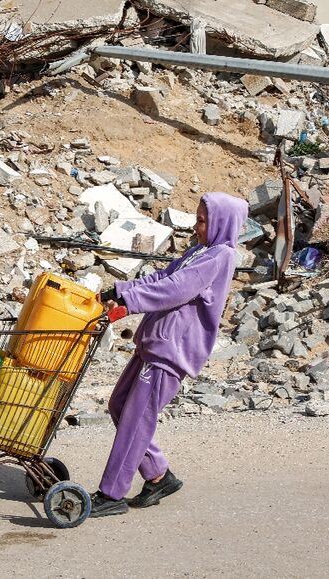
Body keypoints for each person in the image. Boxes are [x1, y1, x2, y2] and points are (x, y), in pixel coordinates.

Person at [90, 192, 248, 517]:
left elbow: (175, 290)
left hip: (171, 351)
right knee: (120, 405)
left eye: (202, 221)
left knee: (136, 419)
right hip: (154, 342)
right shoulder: (199, 251)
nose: (196, 225)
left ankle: (111, 493)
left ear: (221, 223)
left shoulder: (219, 256)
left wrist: (130, 304)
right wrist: (119, 291)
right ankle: (159, 475)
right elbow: (163, 277)